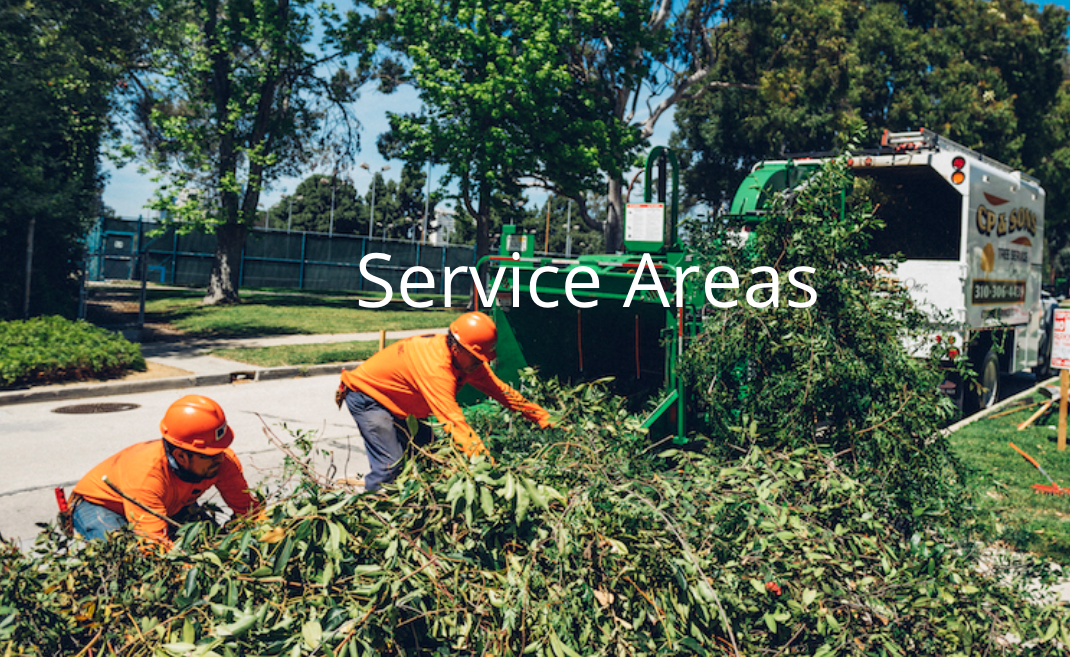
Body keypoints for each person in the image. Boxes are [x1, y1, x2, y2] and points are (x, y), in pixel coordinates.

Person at [338, 311, 551, 492]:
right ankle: (373, 518)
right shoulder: (437, 367)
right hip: (368, 398)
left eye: (483, 359)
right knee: (389, 467)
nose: (480, 364)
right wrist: (487, 468)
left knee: (433, 450)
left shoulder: (467, 362)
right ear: (458, 348)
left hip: (397, 405)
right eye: (477, 358)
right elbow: (453, 422)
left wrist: (542, 417)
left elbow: (502, 392)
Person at [69, 394, 257, 545]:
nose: (220, 458)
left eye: (221, 449)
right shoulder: (146, 477)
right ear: (181, 456)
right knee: (126, 559)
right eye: (210, 455)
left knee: (213, 542)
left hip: (165, 505)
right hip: (101, 505)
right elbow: (154, 545)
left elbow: (249, 511)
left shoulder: (222, 461)